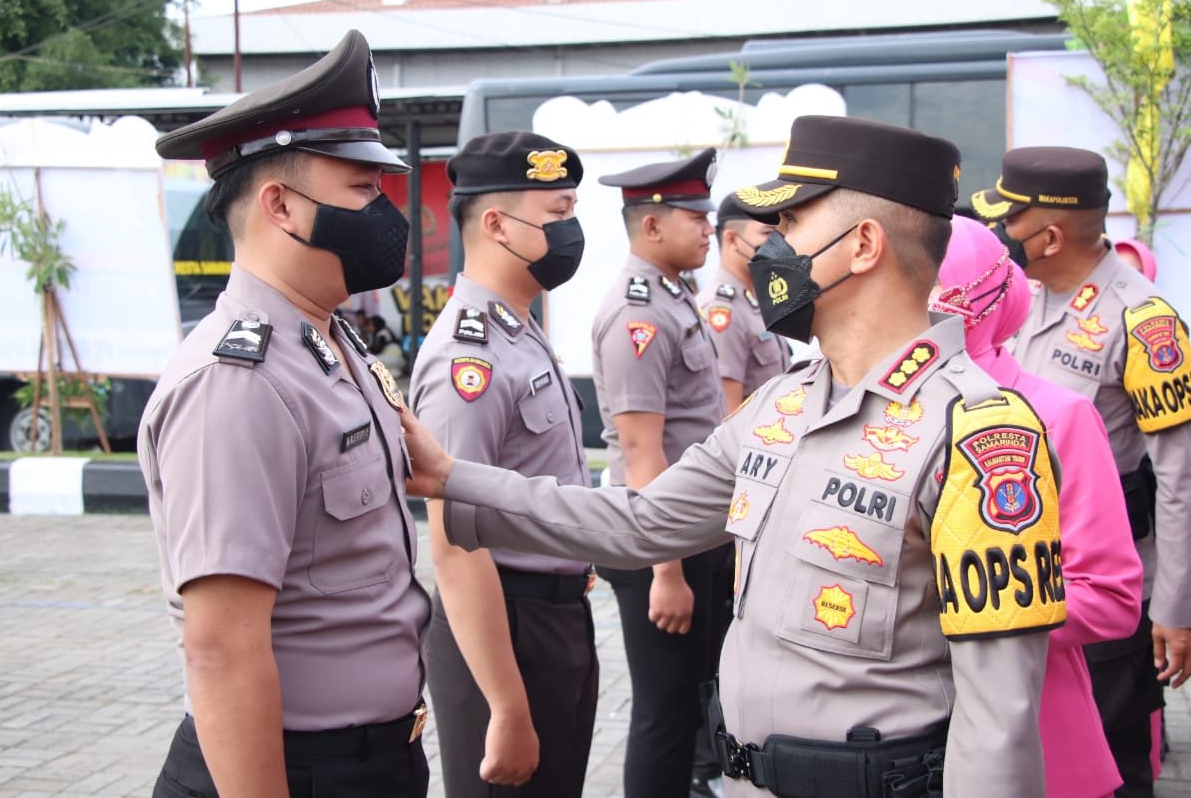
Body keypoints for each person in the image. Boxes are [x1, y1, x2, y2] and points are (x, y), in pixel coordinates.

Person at [404, 115, 1066, 798]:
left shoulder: (980, 436)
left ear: (863, 244)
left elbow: (999, 722)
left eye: (793, 224)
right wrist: (454, 478)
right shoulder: (781, 404)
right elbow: (639, 522)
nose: (768, 248)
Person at [140, 29, 432, 798]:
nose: (385, 213)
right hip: (293, 770)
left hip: (373, 759)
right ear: (281, 206)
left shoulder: (329, 344)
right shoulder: (240, 382)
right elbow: (222, 650)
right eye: (363, 191)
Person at [973, 147, 1191, 797]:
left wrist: (1176, 609)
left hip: (1103, 592)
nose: (1000, 235)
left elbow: (1180, 476)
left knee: (1116, 766)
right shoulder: (1024, 298)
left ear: (1048, 234)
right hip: (1026, 582)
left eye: (1009, 221)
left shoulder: (1144, 321)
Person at [409, 131, 598, 797]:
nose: (571, 231)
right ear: (495, 225)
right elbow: (456, 547)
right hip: (504, 629)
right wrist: (507, 705)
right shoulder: (471, 358)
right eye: (556, 215)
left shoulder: (517, 325)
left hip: (553, 618)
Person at [935, 216, 1142, 798]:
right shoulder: (857, 413)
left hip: (1030, 733)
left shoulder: (1055, 415)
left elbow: (1109, 596)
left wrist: (951, 611)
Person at [591, 147, 731, 798]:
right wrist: (666, 571)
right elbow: (643, 449)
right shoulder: (639, 313)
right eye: (694, 216)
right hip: (659, 543)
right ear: (651, 225)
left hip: (688, 533)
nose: (709, 228)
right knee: (662, 712)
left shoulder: (674, 297)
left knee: (683, 704)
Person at [699, 192, 793, 411]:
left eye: (780, 234)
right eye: (768, 233)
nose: (778, 244)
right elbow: (727, 414)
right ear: (732, 239)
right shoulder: (722, 310)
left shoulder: (757, 302)